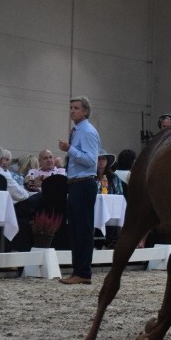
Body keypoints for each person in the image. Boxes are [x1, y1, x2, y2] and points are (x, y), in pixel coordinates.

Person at [58, 96, 101, 285]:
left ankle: (83, 271)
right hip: (76, 183)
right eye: (71, 107)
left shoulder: (88, 132)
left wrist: (71, 149)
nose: (72, 111)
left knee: (82, 229)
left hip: (84, 183)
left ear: (85, 112)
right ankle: (78, 270)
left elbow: (91, 160)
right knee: (75, 229)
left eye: (76, 108)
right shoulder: (77, 131)